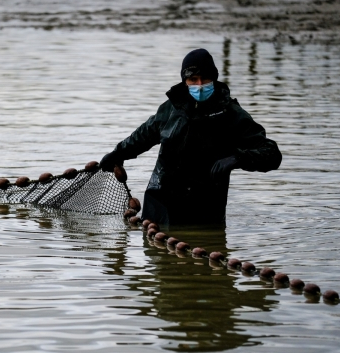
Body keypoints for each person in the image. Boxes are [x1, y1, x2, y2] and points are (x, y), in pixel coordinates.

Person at [100, 48, 282, 225]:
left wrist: (238, 158)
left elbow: (272, 154)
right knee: (158, 253)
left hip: (204, 215)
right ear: (184, 80)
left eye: (205, 79)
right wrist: (118, 154)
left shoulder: (232, 115)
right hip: (158, 211)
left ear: (214, 78)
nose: (200, 85)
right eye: (193, 79)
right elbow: (142, 136)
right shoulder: (170, 109)